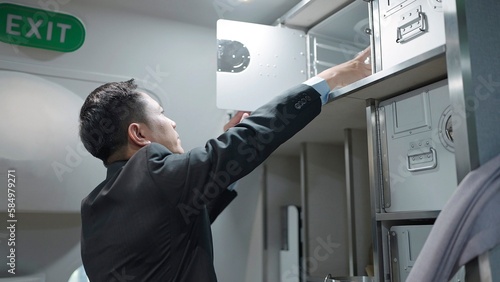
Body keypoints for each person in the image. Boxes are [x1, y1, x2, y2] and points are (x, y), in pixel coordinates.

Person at [79, 47, 371, 282]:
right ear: (139, 134)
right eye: (162, 114)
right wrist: (333, 76)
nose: (172, 122)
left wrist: (225, 164)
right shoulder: (151, 173)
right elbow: (250, 137)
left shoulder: (95, 206)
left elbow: (182, 219)